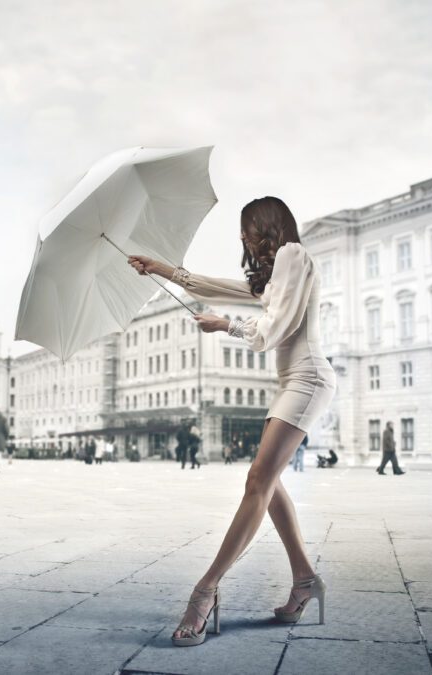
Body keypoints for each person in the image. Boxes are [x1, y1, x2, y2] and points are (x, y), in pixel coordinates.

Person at [129, 196, 336, 646]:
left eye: (246, 228)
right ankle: (304, 578)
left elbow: (273, 331)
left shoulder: (293, 255)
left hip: (308, 379)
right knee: (269, 481)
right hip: (292, 382)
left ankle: (205, 591)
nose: (242, 237)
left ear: (266, 226)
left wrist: (226, 326)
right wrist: (162, 269)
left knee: (259, 480)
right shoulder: (278, 272)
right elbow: (216, 286)